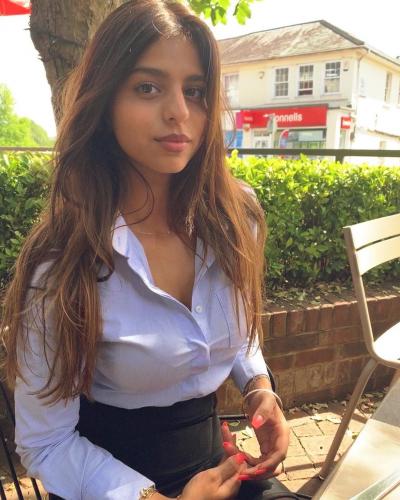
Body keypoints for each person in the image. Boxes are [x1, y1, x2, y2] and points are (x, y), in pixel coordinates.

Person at [1, 1, 290, 498]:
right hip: (104, 483)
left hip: (214, 469)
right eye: (148, 87)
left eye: (194, 91)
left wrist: (259, 388)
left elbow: (236, 327)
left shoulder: (234, 218)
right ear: (104, 99)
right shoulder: (64, 260)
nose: (179, 111)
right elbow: (45, 443)